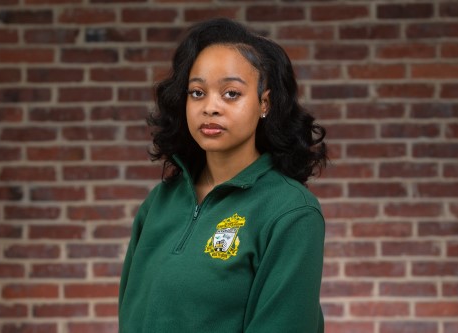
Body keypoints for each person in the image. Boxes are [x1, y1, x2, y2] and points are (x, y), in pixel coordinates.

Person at [118, 18, 327, 333]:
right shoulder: (159, 203)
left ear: (264, 103)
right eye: (197, 92)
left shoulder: (291, 212)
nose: (210, 107)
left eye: (231, 93)